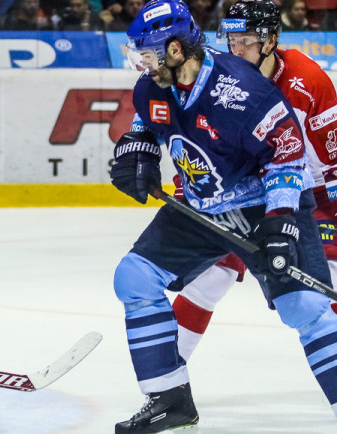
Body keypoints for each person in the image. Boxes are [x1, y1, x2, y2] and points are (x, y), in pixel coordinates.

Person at [111, 0, 337, 432]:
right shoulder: (153, 85)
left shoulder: (243, 93)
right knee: (135, 277)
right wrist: (135, 149)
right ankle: (170, 402)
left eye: (148, 52)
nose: (142, 62)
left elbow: (288, 159)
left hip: (259, 206)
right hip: (202, 208)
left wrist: (281, 218)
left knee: (304, 307)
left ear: (176, 50)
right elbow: (147, 121)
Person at [173, 0, 337, 362]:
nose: (236, 49)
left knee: (321, 289)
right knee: (213, 275)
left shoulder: (307, 81)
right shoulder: (217, 78)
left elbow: (332, 159)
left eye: (246, 39)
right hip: (244, 194)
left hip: (307, 196)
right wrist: (190, 186)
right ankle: (166, 380)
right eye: (231, 40)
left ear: (271, 40)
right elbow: (194, 139)